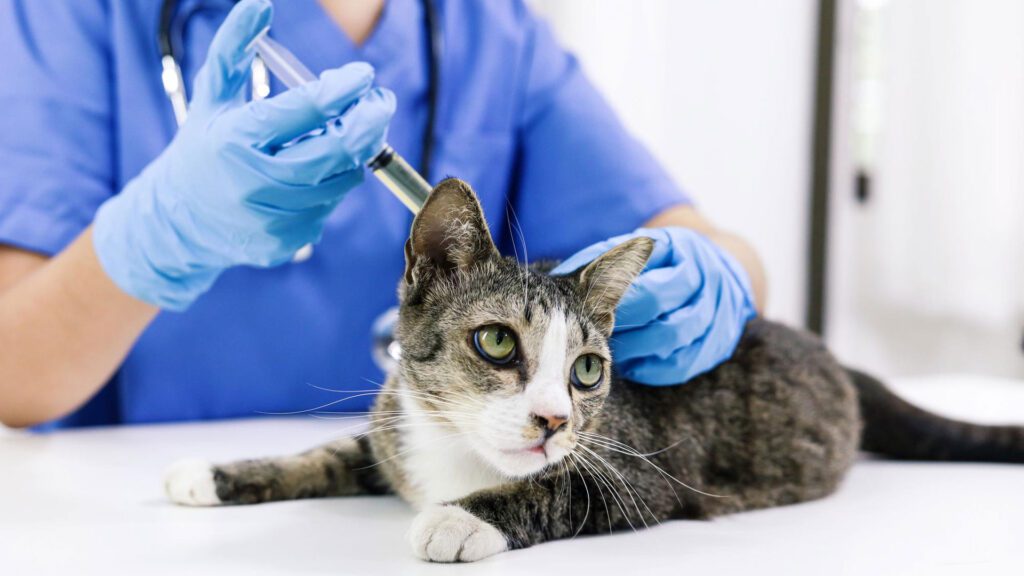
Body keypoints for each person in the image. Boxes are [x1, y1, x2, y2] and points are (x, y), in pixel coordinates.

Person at [0, 0, 765, 430]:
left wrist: (715, 279)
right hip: (151, 522)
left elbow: (709, 246)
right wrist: (159, 234)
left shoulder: (489, 30)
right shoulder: (72, 15)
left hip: (419, 510)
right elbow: (13, 371)